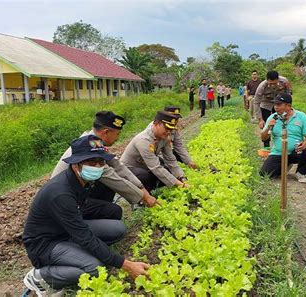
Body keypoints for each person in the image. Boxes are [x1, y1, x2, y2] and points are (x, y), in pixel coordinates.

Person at [22, 135, 150, 295]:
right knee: (95, 269)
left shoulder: (81, 181)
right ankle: (40, 276)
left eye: (101, 162)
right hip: (45, 243)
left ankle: (75, 253)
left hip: (65, 231)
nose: (97, 166)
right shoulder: (61, 193)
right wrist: (125, 264)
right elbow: (83, 236)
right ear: (76, 165)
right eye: (91, 162)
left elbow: (81, 229)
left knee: (117, 229)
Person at [52, 111, 159, 219]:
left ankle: (100, 212)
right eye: (117, 134)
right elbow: (112, 177)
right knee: (114, 211)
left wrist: (140, 187)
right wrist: (144, 197)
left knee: (108, 185)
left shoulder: (93, 142)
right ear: (106, 132)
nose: (118, 138)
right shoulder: (90, 148)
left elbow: (117, 166)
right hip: (66, 200)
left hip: (78, 190)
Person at [120, 111, 189, 192]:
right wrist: (179, 184)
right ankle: (142, 197)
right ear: (156, 123)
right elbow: (155, 167)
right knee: (143, 176)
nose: (169, 132)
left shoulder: (164, 137)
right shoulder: (143, 140)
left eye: (171, 129)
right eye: (167, 128)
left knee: (169, 170)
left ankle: (151, 188)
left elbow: (170, 159)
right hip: (128, 170)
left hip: (145, 166)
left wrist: (182, 177)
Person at [259, 93, 306, 183]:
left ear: (288, 106)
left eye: (279, 104)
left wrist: (304, 144)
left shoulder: (301, 116)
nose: (276, 107)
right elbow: (264, 138)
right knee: (264, 174)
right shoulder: (273, 117)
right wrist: (268, 127)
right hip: (278, 153)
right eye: (275, 104)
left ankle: (301, 173)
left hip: (295, 152)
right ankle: (284, 166)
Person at [253, 70, 292, 148]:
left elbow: (289, 94)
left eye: (275, 83)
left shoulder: (284, 81)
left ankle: (280, 144)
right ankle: (266, 146)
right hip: (265, 103)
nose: (273, 85)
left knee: (282, 122)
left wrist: (288, 108)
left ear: (278, 79)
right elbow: (256, 102)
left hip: (279, 103)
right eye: (270, 84)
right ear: (267, 80)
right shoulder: (261, 86)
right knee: (266, 125)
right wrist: (260, 119)